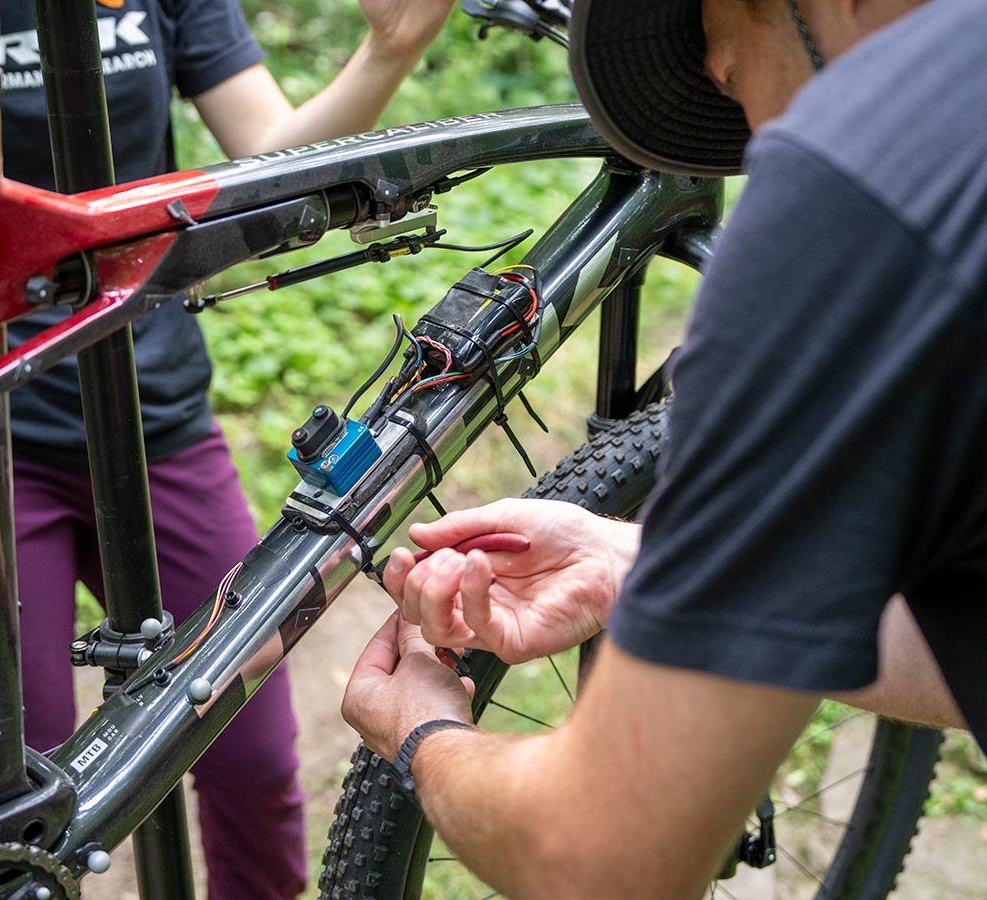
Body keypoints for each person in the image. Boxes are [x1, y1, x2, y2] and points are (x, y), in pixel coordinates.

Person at [0, 0, 456, 896]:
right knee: (12, 808)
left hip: (158, 420)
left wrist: (388, 51)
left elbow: (268, 151)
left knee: (249, 759)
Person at [341, 0, 987, 895]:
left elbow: (592, 859)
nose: (755, 132)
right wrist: (637, 566)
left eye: (730, 75)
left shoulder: (859, 181)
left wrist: (420, 734)